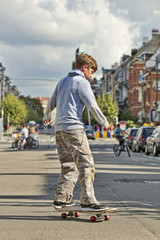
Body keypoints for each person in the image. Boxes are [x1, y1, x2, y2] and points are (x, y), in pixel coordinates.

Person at [43, 53, 110, 211]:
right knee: (86, 164)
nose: (90, 76)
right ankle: (88, 200)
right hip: (74, 128)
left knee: (68, 165)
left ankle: (61, 199)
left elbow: (51, 103)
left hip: (59, 129)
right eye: (91, 72)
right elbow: (92, 105)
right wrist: (104, 123)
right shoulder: (81, 82)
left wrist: (46, 117)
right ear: (84, 67)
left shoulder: (62, 81)